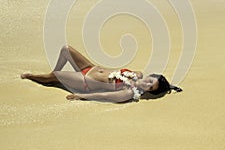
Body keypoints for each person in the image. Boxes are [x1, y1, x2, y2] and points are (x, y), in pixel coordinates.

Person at [21, 45, 182, 103]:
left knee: (56, 76)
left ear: (148, 91)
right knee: (66, 49)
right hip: (90, 67)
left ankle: (34, 76)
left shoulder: (127, 93)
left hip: (85, 81)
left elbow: (105, 96)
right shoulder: (137, 74)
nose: (147, 82)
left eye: (150, 86)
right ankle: (51, 75)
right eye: (150, 79)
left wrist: (81, 96)